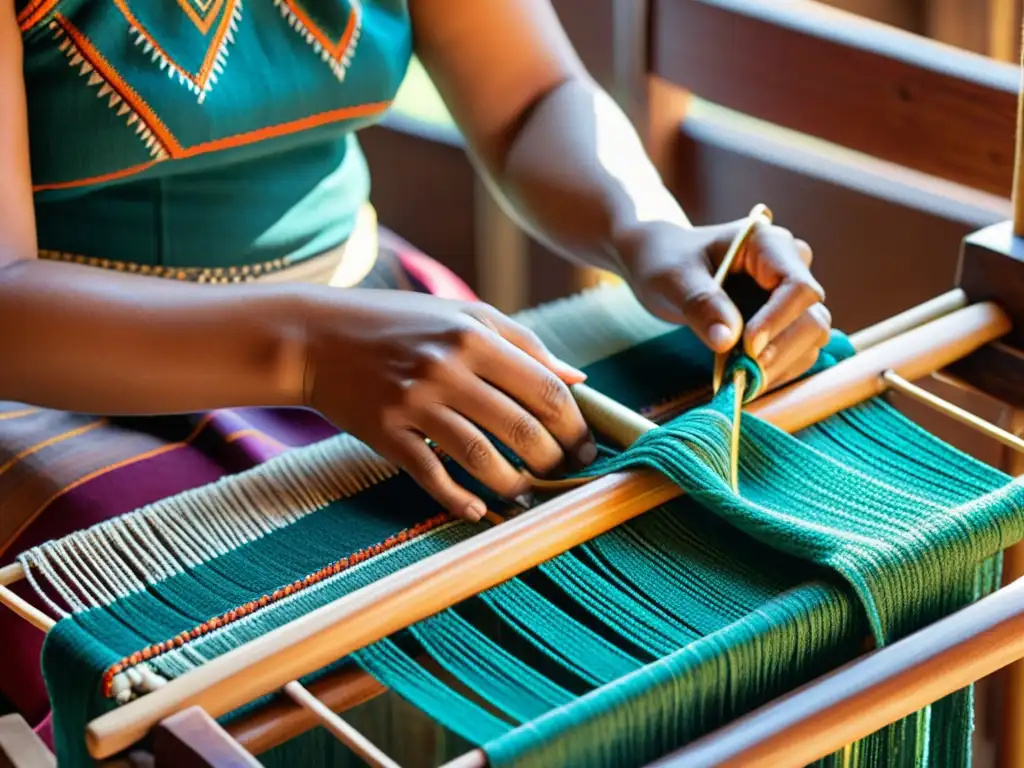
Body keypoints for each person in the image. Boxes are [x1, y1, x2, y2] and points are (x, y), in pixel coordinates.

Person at [0, 0, 831, 740]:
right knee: (216, 673)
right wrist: (311, 350)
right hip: (64, 378)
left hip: (377, 321)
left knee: (642, 550)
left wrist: (645, 227)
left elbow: (531, 96)